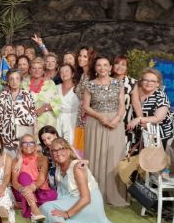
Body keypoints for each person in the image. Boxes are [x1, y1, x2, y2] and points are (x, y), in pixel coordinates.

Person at [40, 138, 119, 223]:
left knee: (47, 207)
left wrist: (67, 213)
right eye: (54, 151)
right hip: (74, 199)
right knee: (45, 209)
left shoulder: (77, 168)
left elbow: (86, 198)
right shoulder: (59, 168)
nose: (58, 153)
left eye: (62, 149)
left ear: (68, 151)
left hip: (88, 203)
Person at [82, 56, 127, 207]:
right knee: (96, 157)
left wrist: (117, 118)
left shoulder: (118, 83)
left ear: (110, 68)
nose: (102, 68)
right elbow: (86, 107)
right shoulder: (89, 85)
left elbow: (122, 104)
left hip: (115, 123)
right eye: (99, 65)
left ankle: (115, 195)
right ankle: (96, 195)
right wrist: (99, 116)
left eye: (105, 65)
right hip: (95, 123)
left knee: (114, 158)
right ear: (95, 68)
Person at [11, 134, 57, 222]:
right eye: (25, 143)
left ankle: (21, 205)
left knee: (53, 195)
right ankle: (34, 209)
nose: (28, 145)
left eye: (31, 143)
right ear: (21, 146)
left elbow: (42, 179)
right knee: (24, 176)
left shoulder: (43, 159)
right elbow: (14, 182)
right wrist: (22, 189)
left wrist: (32, 187)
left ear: (35, 146)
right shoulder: (15, 161)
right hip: (22, 190)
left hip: (37, 188)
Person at [128, 68, 174, 149]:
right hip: (137, 133)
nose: (149, 83)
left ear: (157, 84)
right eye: (146, 80)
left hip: (159, 134)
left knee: (154, 160)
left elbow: (158, 118)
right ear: (141, 81)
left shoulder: (161, 96)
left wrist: (139, 119)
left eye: (153, 81)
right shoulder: (134, 91)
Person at [0, 69, 36, 156]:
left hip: (23, 140)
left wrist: (34, 138)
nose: (14, 81)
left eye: (17, 78)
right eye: (11, 79)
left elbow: (34, 118)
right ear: (8, 81)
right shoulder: (3, 95)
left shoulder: (28, 95)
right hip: (5, 138)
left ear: (21, 80)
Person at [23, 57, 61, 134]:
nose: (37, 71)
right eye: (34, 68)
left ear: (43, 70)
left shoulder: (50, 84)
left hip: (47, 123)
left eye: (39, 68)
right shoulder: (23, 84)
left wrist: (43, 108)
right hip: (28, 123)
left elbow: (57, 103)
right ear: (30, 70)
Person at [112, 55, 138, 148]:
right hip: (106, 121)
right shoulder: (105, 80)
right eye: (117, 63)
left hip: (124, 124)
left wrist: (140, 119)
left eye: (123, 64)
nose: (120, 66)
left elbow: (136, 104)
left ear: (127, 67)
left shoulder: (132, 82)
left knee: (121, 155)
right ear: (112, 65)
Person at [56, 64, 79, 146]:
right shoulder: (56, 88)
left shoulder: (78, 88)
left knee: (71, 145)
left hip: (73, 120)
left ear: (72, 74)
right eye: (61, 72)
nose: (64, 73)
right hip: (57, 119)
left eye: (66, 71)